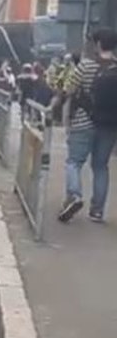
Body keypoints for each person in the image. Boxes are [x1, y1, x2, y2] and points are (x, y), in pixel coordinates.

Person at [56, 28, 117, 223]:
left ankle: (74, 195)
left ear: (98, 45)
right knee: (101, 166)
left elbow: (68, 89)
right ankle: (97, 211)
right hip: (109, 125)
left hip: (83, 121)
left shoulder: (85, 66)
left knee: (74, 162)